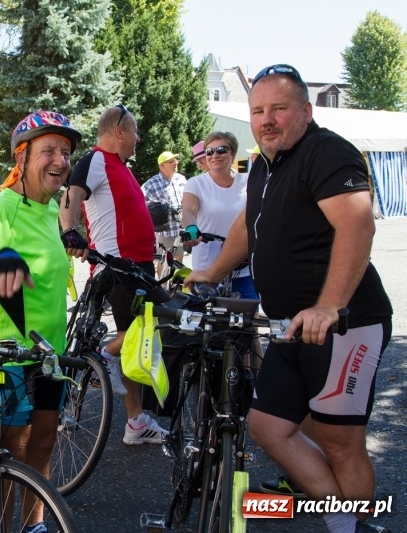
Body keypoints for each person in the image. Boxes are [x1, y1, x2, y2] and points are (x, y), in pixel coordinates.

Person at [185, 64, 392, 533]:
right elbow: (245, 227)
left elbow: (357, 225)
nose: (267, 119)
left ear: (305, 109)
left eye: (279, 108)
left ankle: (353, 526)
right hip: (287, 326)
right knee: (269, 426)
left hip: (345, 323)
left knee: (341, 442)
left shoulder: (328, 153)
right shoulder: (263, 164)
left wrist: (330, 304)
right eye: (258, 111)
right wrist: (211, 273)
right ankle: (346, 523)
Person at [0, 110, 81, 532]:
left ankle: (33, 526)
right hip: (9, 356)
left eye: (64, 152)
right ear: (21, 158)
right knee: (11, 452)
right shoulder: (0, 210)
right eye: (49, 151)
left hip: (49, 355)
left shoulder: (49, 212)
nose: (60, 161)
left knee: (43, 443)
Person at [59, 104, 169, 446]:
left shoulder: (120, 167)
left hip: (137, 266)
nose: (138, 139)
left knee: (136, 341)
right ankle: (104, 358)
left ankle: (135, 421)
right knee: (146, 328)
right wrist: (69, 232)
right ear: (119, 131)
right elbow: (71, 195)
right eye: (134, 131)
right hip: (118, 267)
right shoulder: (96, 160)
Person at [180, 131, 257, 300]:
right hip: (206, 269)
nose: (215, 155)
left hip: (242, 268)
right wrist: (191, 228)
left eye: (221, 150)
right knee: (209, 323)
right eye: (209, 151)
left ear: (233, 153)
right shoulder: (197, 183)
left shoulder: (247, 181)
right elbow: (188, 210)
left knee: (246, 319)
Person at [141, 150, 186, 274]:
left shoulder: (181, 179)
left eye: (176, 160)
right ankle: (162, 287)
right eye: (171, 161)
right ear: (162, 166)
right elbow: (140, 202)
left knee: (179, 259)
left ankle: (176, 289)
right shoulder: (152, 183)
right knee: (164, 260)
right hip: (165, 231)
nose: (175, 163)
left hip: (181, 228)